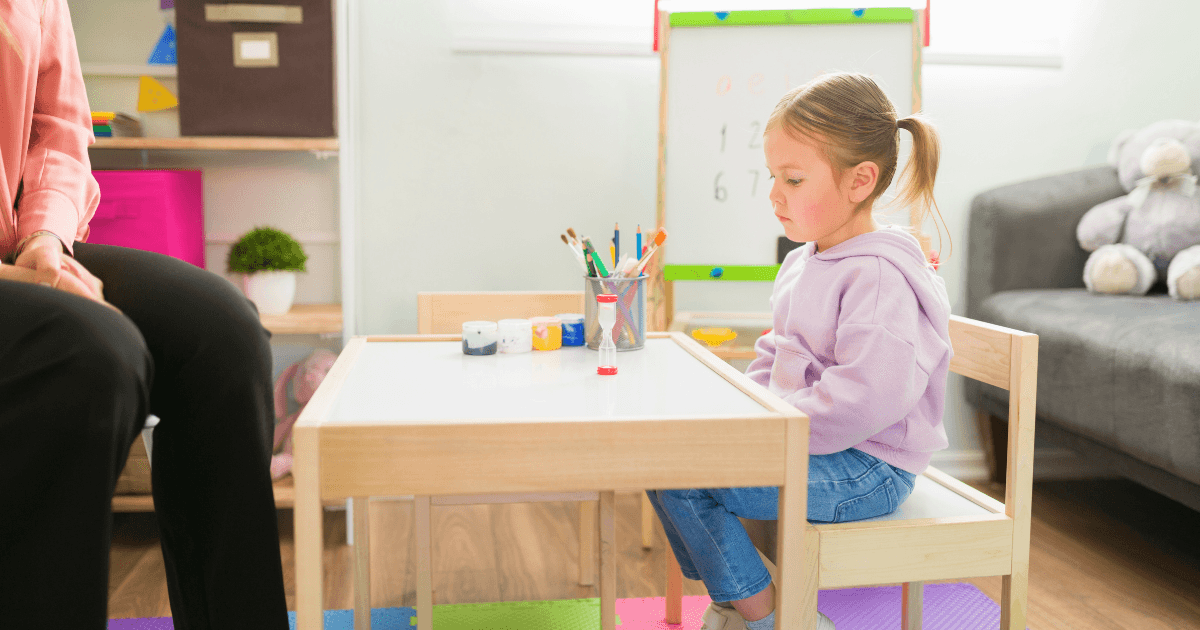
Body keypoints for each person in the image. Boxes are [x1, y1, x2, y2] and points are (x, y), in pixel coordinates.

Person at [0, 2, 289, 628]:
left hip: (17, 242)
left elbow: (58, 125)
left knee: (222, 332)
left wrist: (43, 242)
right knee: (88, 350)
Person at [646, 72, 953, 630]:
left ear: (860, 180)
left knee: (684, 475)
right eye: (773, 177)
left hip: (869, 466)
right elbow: (774, 354)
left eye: (792, 178)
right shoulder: (802, 262)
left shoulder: (878, 277)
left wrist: (771, 435)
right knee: (667, 456)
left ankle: (773, 618)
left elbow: (863, 400)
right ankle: (739, 597)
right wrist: (744, 416)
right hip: (807, 444)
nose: (773, 194)